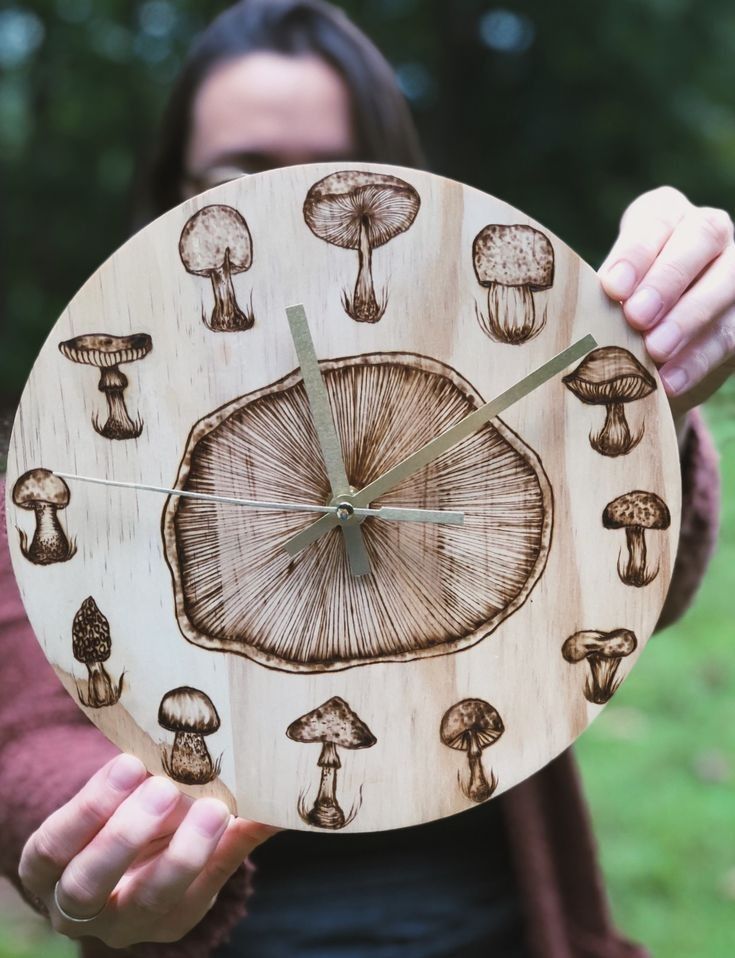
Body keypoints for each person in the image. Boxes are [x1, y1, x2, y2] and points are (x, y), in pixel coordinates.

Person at [0, 1, 730, 956]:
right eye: (245, 176)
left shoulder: (475, 376)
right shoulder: (78, 435)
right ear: (173, 197)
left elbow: (632, 591)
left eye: (333, 173)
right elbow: (29, 721)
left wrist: (655, 381)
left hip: (498, 929)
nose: (289, 210)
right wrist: (108, 829)